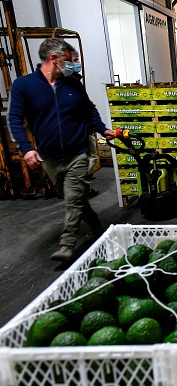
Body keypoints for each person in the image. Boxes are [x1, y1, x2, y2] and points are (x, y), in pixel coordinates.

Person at [7, 37, 115, 262]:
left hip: (78, 151)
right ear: (54, 59)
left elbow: (89, 110)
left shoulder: (73, 84)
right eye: (71, 60)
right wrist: (26, 149)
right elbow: (15, 120)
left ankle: (67, 244)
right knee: (70, 195)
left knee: (73, 196)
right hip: (49, 156)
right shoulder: (24, 86)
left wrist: (102, 129)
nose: (75, 64)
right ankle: (95, 224)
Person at [70, 49, 100, 198]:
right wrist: (88, 130)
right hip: (81, 130)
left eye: (77, 60)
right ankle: (79, 183)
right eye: (75, 61)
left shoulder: (73, 82)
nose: (78, 64)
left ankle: (78, 184)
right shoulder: (70, 83)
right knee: (92, 157)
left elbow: (88, 108)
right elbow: (83, 109)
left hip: (80, 130)